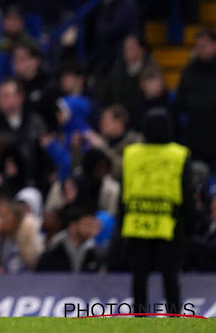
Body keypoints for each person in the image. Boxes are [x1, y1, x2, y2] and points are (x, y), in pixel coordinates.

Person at [117, 108, 196, 313]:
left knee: (139, 279)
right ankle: (173, 319)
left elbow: (123, 194)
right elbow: (186, 194)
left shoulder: (131, 155)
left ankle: (140, 319)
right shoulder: (178, 155)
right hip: (169, 226)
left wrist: (120, 228)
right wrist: (190, 225)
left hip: (137, 225)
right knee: (170, 279)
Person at [174, 27, 216, 171]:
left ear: (214, 45)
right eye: (198, 46)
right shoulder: (189, 70)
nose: (200, 50)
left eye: (204, 46)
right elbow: (180, 101)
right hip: (195, 134)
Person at [36, 204, 101, 272]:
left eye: (92, 226)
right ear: (72, 226)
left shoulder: (93, 253)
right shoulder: (53, 251)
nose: (90, 230)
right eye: (86, 225)